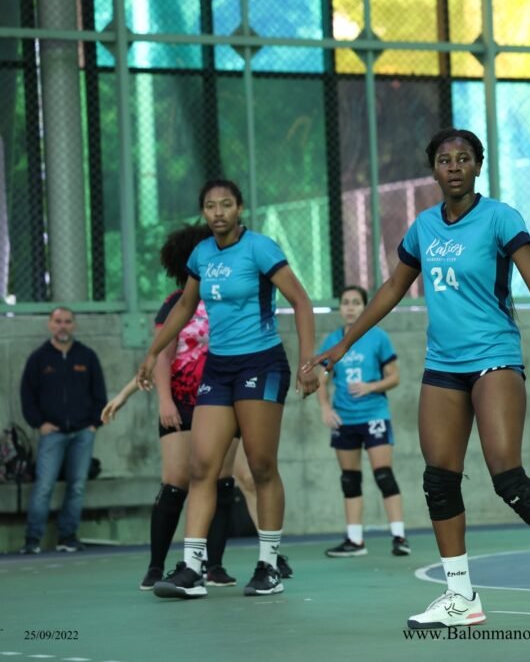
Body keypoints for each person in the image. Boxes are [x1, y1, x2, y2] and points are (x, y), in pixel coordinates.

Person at [306, 128, 530, 629]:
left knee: (507, 475)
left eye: (464, 158)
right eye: (445, 160)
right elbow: (391, 289)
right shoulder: (423, 226)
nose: (455, 166)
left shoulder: (501, 218)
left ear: (478, 166)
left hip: (494, 357)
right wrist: (344, 343)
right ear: (434, 170)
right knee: (439, 480)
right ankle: (461, 597)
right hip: (443, 365)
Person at [136, 178, 319, 599]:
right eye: (210, 206)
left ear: (239, 209)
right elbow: (185, 306)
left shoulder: (260, 248)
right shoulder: (201, 254)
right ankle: (192, 568)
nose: (218, 212)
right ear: (203, 212)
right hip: (218, 369)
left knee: (261, 465)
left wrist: (309, 361)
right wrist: (153, 352)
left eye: (226, 204)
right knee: (202, 466)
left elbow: (301, 301)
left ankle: (268, 566)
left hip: (261, 362)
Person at [101, 223, 292, 590]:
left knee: (233, 477)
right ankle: (159, 566)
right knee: (179, 481)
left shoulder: (229, 302)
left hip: (226, 396)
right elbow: (160, 355)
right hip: (184, 401)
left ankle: (219, 564)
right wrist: (142, 396)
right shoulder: (178, 303)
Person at [317, 285, 410, 558]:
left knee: (383, 475)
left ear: (365, 307)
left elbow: (395, 377)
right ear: (340, 308)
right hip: (345, 419)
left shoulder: (378, 337)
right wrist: (325, 407)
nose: (350, 307)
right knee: (349, 479)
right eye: (345, 302)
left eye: (356, 302)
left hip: (374, 415)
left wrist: (371, 387)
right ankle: (355, 540)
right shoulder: (332, 341)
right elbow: (321, 378)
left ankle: (399, 537)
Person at [19, 307, 107, 554]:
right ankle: (32, 540)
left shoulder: (87, 356)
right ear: (50, 324)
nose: (63, 326)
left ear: (74, 325)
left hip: (83, 433)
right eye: (58, 321)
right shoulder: (39, 358)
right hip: (52, 434)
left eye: (67, 321)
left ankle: (67, 537)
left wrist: (94, 424)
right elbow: (27, 396)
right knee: (44, 486)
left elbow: (100, 394)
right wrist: (40, 424)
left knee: (77, 485)